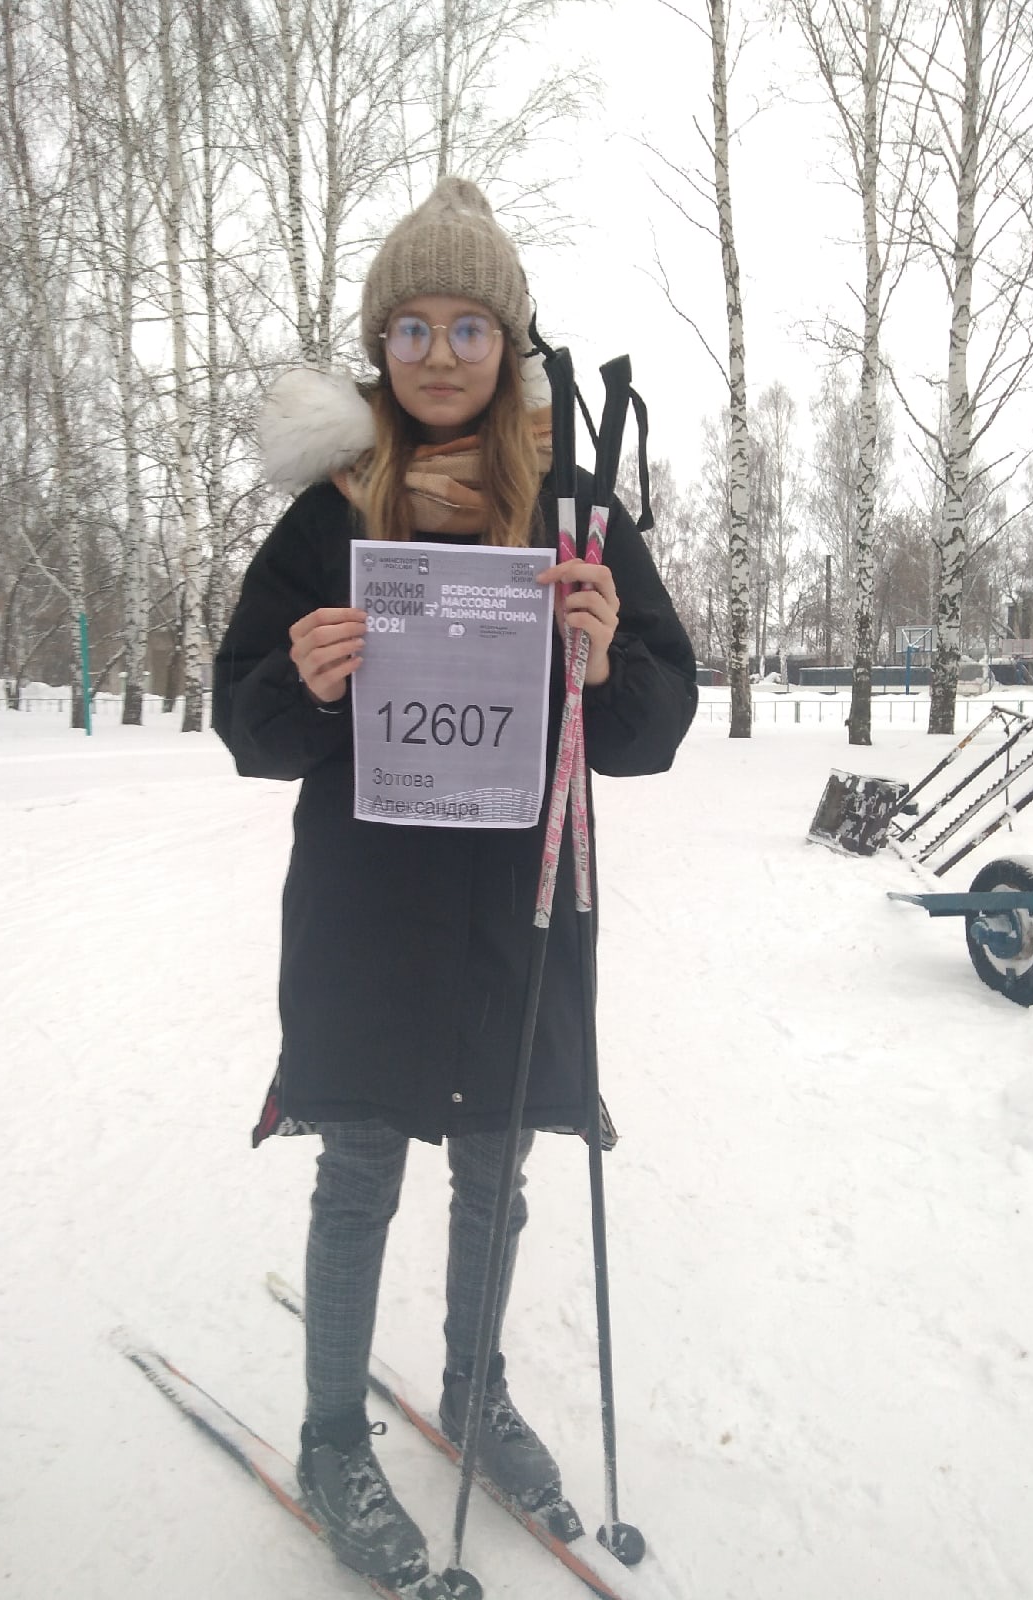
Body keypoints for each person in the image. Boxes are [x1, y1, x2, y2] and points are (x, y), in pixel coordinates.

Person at [213, 177, 698, 1592]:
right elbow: (244, 718)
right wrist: (303, 681)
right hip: (367, 909)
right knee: (361, 1163)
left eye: (468, 325)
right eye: (412, 326)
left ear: (508, 340)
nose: (438, 353)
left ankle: (474, 1385)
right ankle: (330, 1435)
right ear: (381, 343)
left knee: (497, 1162)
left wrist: (605, 658)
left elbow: (654, 721)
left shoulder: (577, 513)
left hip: (517, 903)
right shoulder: (329, 516)